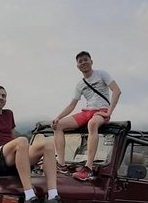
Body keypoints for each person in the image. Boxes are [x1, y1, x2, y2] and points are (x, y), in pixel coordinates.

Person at [52, 51, 121, 181]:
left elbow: (117, 91)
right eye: (80, 61)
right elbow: (72, 105)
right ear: (77, 66)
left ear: (91, 61)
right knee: (58, 126)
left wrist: (108, 112)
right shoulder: (80, 84)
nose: (83, 62)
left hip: (101, 110)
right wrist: (58, 117)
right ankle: (61, 164)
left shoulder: (102, 74)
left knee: (92, 124)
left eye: (85, 59)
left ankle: (88, 168)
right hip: (87, 111)